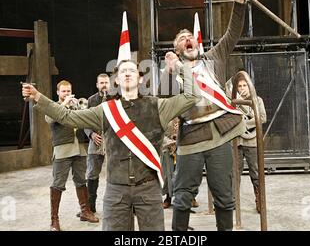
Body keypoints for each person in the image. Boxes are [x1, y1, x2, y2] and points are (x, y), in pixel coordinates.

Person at [22, 59, 201, 231]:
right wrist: (38, 96)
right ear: (116, 80)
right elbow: (68, 117)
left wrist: (178, 65)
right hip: (116, 190)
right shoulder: (106, 110)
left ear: (140, 78)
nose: (127, 74)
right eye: (123, 71)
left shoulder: (158, 106)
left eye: (132, 70)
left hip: (149, 189)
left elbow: (192, 95)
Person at [159, 0, 247, 231]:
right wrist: (169, 70)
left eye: (190, 38)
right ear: (176, 49)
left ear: (197, 44)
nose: (188, 40)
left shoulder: (213, 59)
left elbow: (232, 34)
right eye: (182, 40)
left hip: (219, 134)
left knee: (224, 196)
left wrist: (238, 2)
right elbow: (163, 99)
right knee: (183, 196)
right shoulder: (173, 72)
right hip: (191, 138)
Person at [44, 80, 99, 231]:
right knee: (58, 184)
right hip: (63, 150)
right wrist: (64, 104)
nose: (67, 94)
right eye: (64, 92)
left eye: (69, 91)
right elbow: (49, 119)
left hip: (79, 148)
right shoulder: (54, 107)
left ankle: (85, 211)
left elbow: (86, 119)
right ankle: (54, 220)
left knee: (81, 180)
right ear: (58, 93)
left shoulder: (77, 105)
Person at [235, 77, 267, 213]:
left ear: (249, 86)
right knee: (234, 172)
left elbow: (262, 117)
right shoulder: (234, 102)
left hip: (252, 140)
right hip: (237, 141)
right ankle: (232, 201)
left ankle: (259, 199)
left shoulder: (257, 100)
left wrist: (243, 124)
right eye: (240, 86)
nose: (242, 88)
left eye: (244, 85)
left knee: (255, 171)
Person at [84, 73, 110, 214]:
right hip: (96, 140)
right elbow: (85, 121)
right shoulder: (91, 100)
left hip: (113, 142)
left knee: (118, 172)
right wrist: (91, 134)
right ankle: (90, 207)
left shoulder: (116, 99)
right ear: (97, 85)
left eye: (106, 82)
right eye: (101, 83)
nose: (104, 85)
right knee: (92, 174)